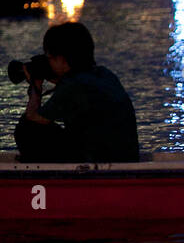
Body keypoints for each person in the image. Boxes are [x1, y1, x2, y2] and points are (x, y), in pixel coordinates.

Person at [16, 22, 140, 163]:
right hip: (125, 157)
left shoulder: (73, 86)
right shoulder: (104, 74)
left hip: (100, 159)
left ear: (62, 59)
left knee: (27, 128)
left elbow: (34, 116)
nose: (48, 62)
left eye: (49, 57)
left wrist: (35, 84)